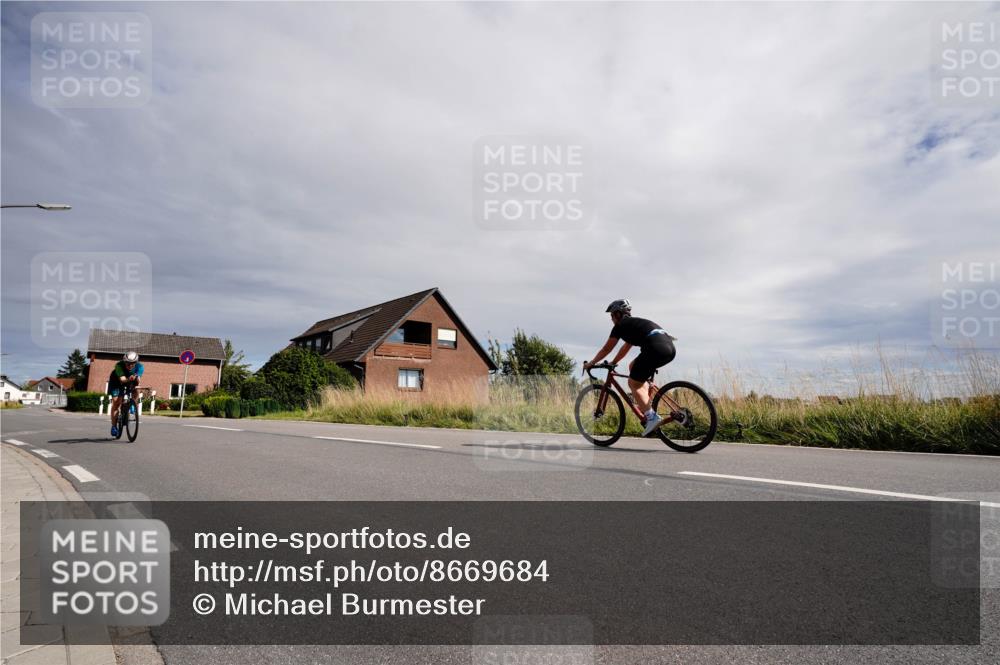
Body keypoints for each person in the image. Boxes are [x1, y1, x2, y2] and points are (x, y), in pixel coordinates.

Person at [582, 299, 676, 436]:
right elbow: (626, 347)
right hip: (669, 349)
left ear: (618, 314)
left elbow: (606, 348)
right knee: (633, 367)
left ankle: (652, 417)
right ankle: (646, 403)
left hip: (654, 348)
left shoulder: (620, 326)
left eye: (612, 316)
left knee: (633, 383)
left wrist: (591, 363)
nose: (611, 319)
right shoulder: (634, 324)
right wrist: (614, 362)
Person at [109, 351, 144, 438]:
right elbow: (122, 380)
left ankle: (133, 404)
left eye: (132, 363)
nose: (130, 365)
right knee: (117, 403)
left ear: (136, 362)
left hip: (130, 381)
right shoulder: (119, 366)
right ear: (124, 361)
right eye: (127, 363)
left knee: (137, 388)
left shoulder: (140, 367)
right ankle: (114, 426)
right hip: (116, 382)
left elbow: (138, 381)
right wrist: (129, 378)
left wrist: (136, 378)